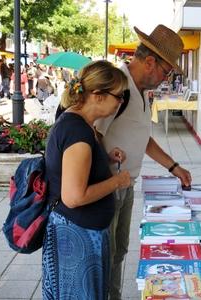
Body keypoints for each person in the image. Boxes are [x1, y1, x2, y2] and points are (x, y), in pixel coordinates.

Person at [94, 24, 192, 300]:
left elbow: (143, 138)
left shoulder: (141, 91)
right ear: (150, 62)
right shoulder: (118, 88)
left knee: (119, 249)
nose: (165, 78)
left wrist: (174, 167)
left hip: (125, 185)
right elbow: (92, 135)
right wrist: (109, 175)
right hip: (107, 187)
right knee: (107, 252)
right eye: (166, 71)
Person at [42, 60, 131, 299]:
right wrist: (117, 181)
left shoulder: (80, 124)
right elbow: (73, 196)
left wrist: (107, 159)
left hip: (82, 231)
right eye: (119, 96)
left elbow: (79, 168)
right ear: (98, 96)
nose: (121, 103)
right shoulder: (78, 132)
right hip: (78, 234)